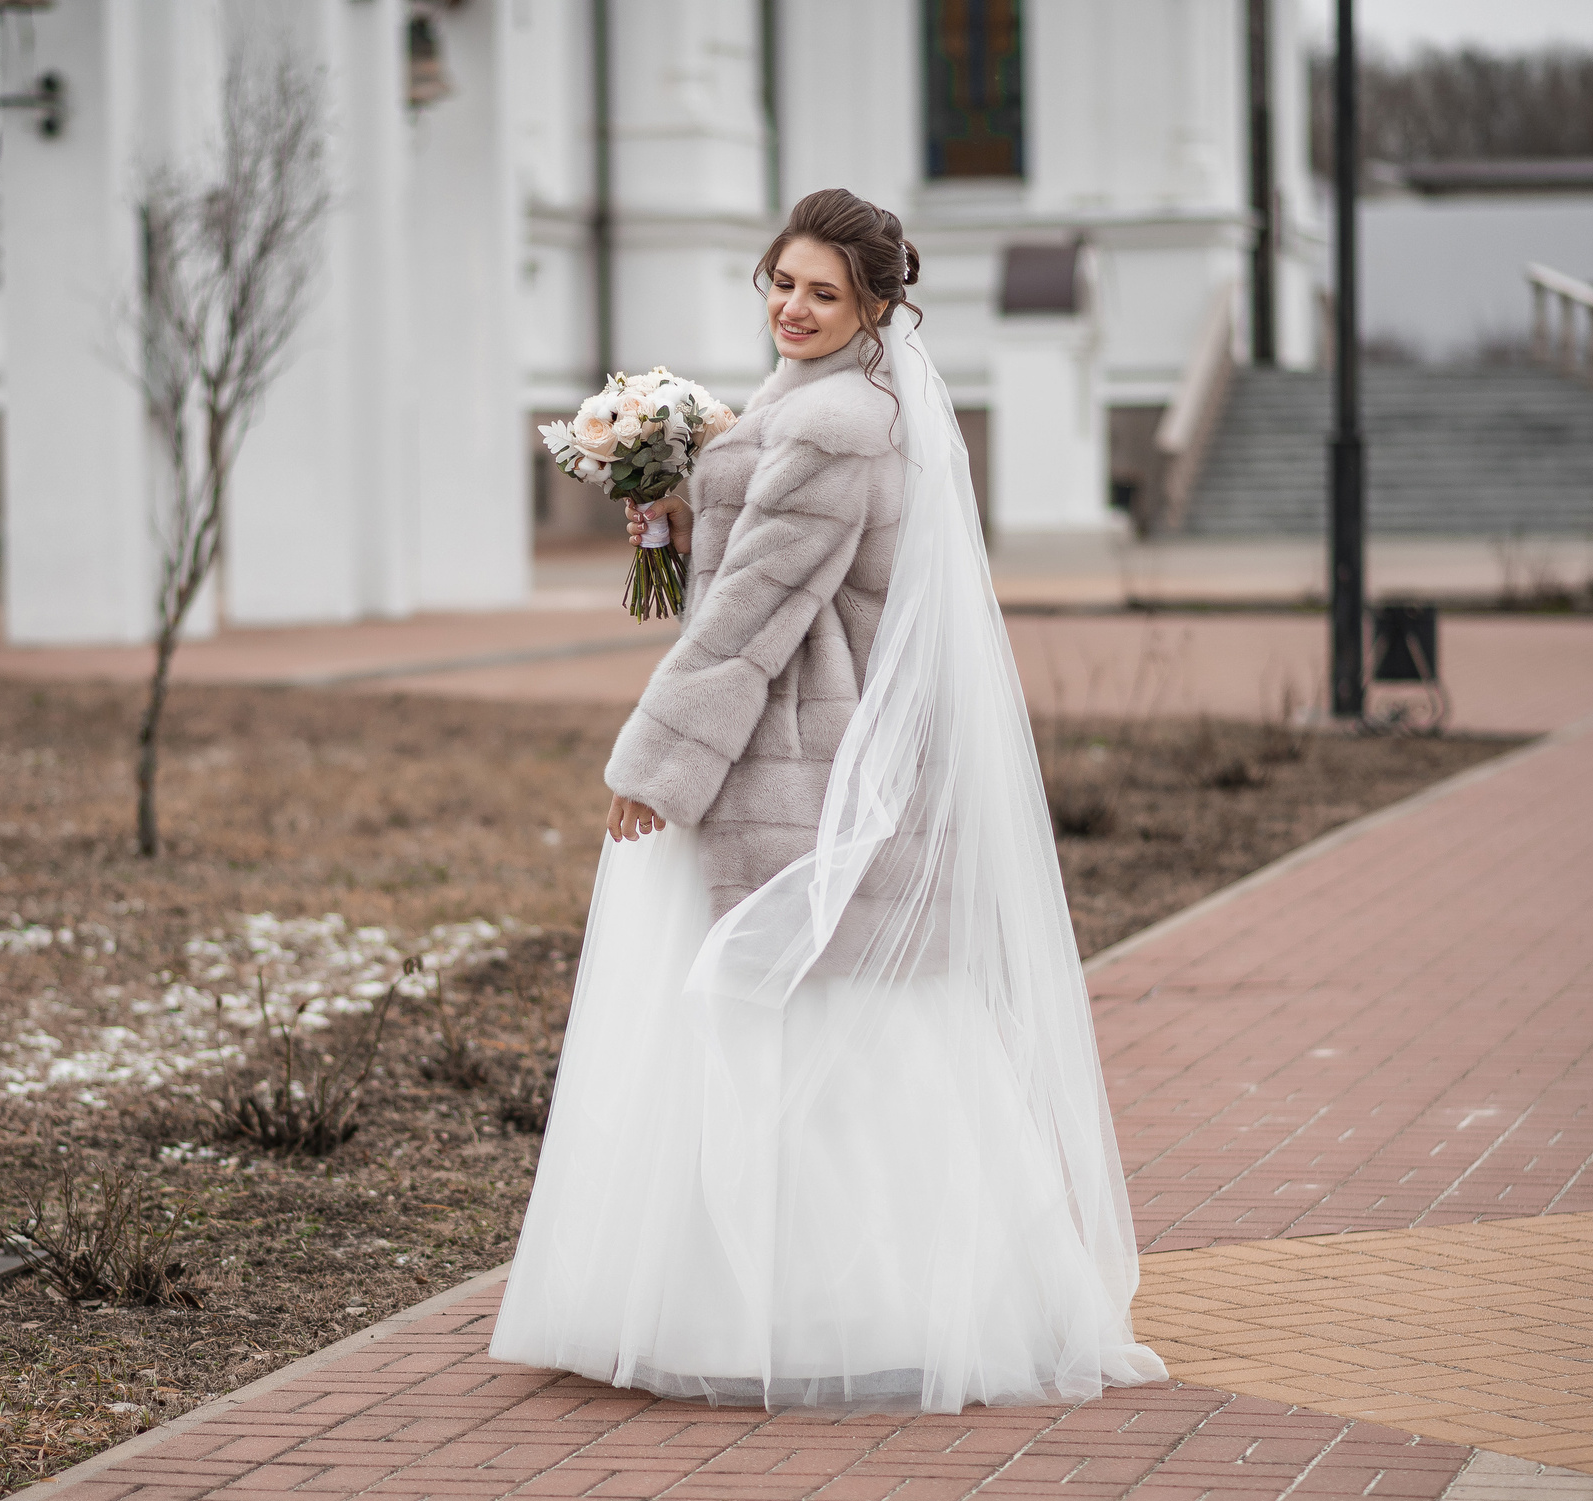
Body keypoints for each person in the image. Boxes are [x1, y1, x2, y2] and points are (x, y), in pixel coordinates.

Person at [488, 188, 1165, 1414]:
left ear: (874, 309)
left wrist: (653, 761)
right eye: (782, 283)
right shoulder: (817, 409)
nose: (793, 309)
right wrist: (684, 507)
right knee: (829, 1028)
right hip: (799, 741)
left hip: (801, 749)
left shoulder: (836, 424)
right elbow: (767, 573)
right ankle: (826, 1301)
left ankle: (821, 1313)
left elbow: (754, 619)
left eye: (823, 295)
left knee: (802, 1031)